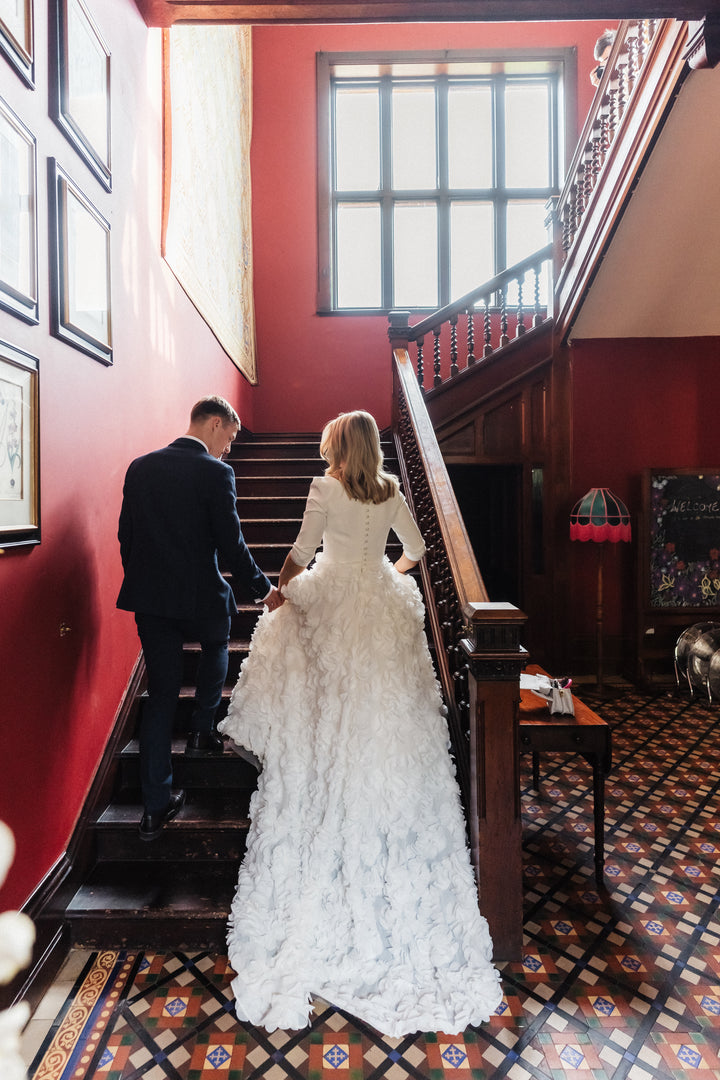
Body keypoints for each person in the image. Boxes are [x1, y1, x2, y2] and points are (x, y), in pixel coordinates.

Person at [218, 410, 503, 1036]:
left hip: (337, 596)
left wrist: (279, 590)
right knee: (381, 707)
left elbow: (299, 553)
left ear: (340, 447)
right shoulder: (393, 489)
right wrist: (386, 577)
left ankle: (288, 750)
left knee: (309, 664)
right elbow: (420, 551)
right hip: (378, 600)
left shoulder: (324, 488)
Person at [117, 396, 282, 842]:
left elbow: (125, 536)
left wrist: (146, 581)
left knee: (161, 696)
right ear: (214, 423)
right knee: (217, 643)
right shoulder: (216, 472)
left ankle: (154, 808)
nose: (227, 449)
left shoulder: (140, 466)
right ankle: (202, 729)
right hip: (201, 595)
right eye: (228, 438)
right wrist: (263, 590)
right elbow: (231, 544)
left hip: (151, 601)